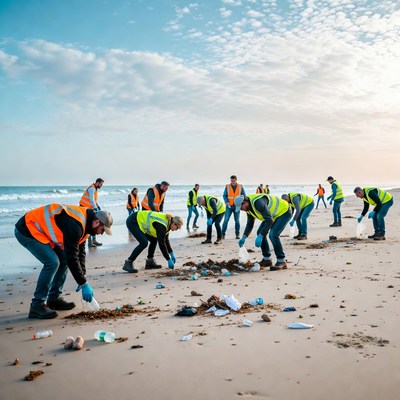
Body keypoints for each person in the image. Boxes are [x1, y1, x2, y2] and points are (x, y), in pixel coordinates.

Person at [14, 204, 113, 319]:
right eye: (102, 230)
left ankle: (53, 299)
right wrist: (83, 283)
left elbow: (80, 252)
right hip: (27, 229)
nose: (101, 233)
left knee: (63, 260)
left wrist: (83, 275)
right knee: (52, 262)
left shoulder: (87, 224)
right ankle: (37, 305)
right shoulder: (76, 225)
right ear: (97, 223)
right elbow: (72, 256)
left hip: (42, 233)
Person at [235, 194, 291, 270]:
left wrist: (261, 236)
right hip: (272, 215)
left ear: (244, 202)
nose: (241, 210)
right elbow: (250, 224)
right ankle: (267, 259)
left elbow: (269, 220)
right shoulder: (248, 209)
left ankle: (281, 261)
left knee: (273, 235)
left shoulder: (258, 203)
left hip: (284, 211)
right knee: (260, 232)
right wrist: (244, 237)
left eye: (241, 208)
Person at [79, 178, 104, 248]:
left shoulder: (95, 189)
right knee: (90, 225)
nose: (101, 186)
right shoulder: (92, 189)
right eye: (101, 184)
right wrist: (96, 208)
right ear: (98, 183)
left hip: (90, 209)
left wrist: (98, 206)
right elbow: (91, 201)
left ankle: (94, 241)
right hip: (84, 209)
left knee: (95, 224)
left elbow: (94, 200)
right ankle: (90, 242)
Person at [221, 175, 246, 239]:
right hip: (229, 207)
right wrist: (226, 202)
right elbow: (224, 195)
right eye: (231, 180)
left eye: (234, 180)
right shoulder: (227, 187)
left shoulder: (240, 186)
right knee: (226, 220)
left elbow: (244, 196)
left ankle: (237, 234)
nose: (233, 182)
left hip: (237, 207)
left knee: (237, 221)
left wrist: (242, 203)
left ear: (236, 180)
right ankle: (222, 234)